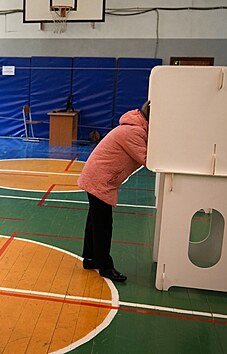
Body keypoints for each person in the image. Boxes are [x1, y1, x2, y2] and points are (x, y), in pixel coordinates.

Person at [77, 100, 150, 282]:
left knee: (95, 220)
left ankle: (91, 258)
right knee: (103, 223)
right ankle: (105, 266)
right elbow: (148, 159)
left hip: (98, 176)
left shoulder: (134, 127)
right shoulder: (134, 132)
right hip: (100, 179)